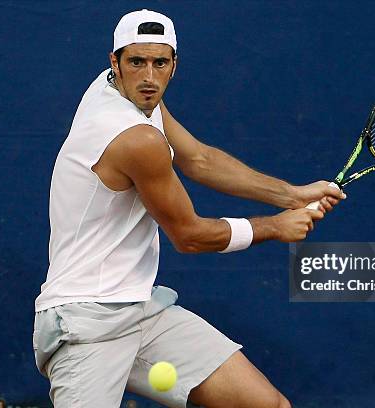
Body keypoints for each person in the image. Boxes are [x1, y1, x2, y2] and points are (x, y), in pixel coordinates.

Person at [32, 9, 345, 408]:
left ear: (174, 65)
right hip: (85, 324)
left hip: (139, 310)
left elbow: (199, 160)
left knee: (267, 405)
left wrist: (292, 195)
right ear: (115, 62)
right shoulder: (134, 138)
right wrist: (276, 227)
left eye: (159, 63)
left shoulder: (128, 94)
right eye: (136, 62)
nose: (148, 76)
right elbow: (190, 236)